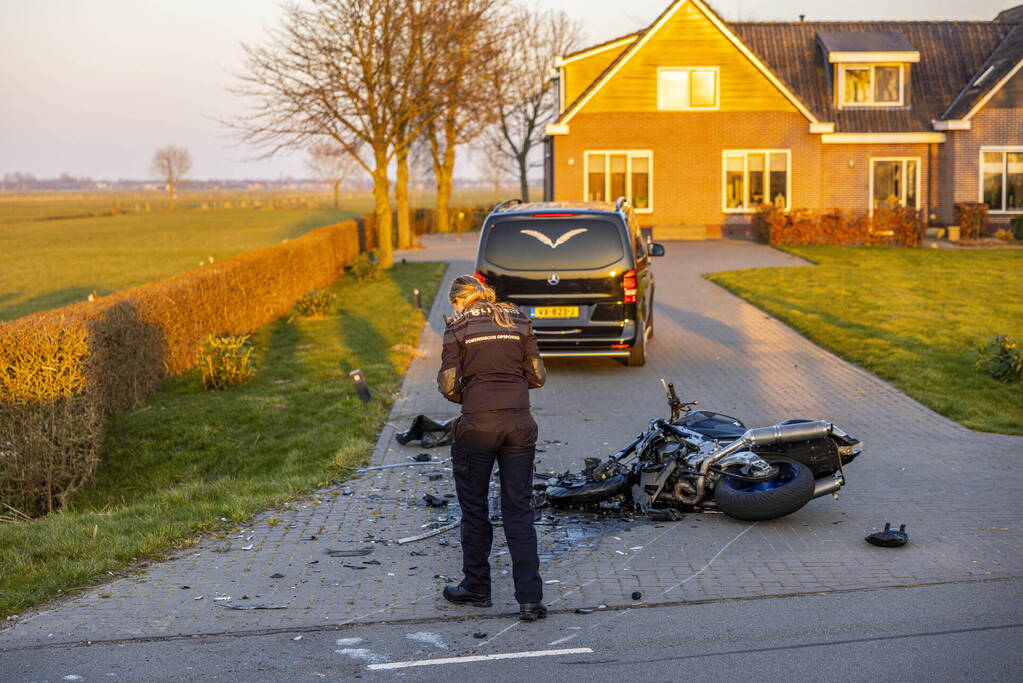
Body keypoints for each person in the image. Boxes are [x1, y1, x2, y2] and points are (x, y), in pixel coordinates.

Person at [437, 274, 548, 621]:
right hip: (519, 424)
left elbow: (448, 383)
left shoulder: (457, 326)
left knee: (475, 509)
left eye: (454, 303)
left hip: (477, 427)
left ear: (459, 300)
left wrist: (471, 397)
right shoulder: (518, 319)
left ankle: (477, 588)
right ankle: (530, 599)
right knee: (519, 509)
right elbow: (538, 375)